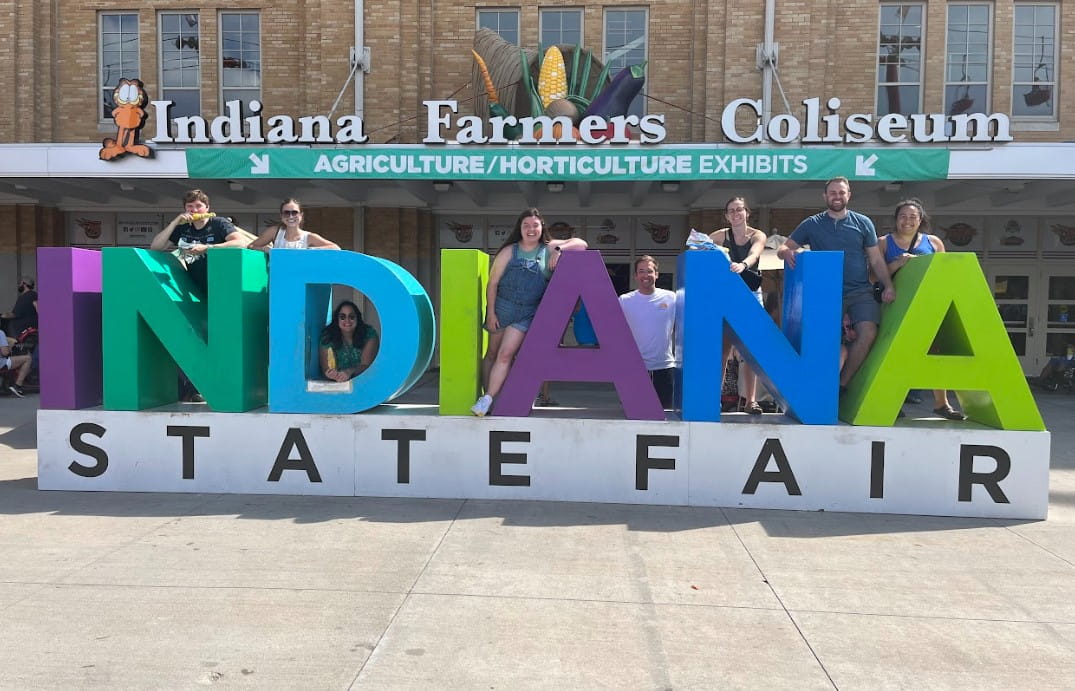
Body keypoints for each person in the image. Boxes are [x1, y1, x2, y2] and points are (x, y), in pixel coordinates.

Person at [777, 176, 895, 389]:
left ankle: (841, 384)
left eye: (841, 192)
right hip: (826, 293)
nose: (837, 196)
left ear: (849, 194)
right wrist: (786, 252)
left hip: (860, 291)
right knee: (825, 340)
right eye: (833, 193)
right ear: (825, 196)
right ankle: (818, 386)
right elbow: (783, 248)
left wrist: (888, 285)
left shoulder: (863, 222)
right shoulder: (811, 224)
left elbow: (876, 258)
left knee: (868, 332)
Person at [471, 208, 588, 416]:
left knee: (506, 355)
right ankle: (488, 398)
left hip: (527, 312)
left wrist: (559, 250)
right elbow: (493, 283)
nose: (531, 229)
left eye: (535, 225)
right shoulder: (510, 251)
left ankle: (488, 397)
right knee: (491, 354)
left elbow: (581, 244)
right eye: (526, 225)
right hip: (502, 308)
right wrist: (491, 313)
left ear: (542, 227)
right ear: (520, 228)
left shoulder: (549, 248)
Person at [880, 198, 965, 420]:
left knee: (936, 351)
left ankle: (942, 404)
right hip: (896, 307)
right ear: (896, 219)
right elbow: (872, 277)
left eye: (912, 217)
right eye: (903, 216)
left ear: (920, 220)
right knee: (894, 354)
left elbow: (944, 276)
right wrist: (897, 264)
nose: (907, 221)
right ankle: (890, 401)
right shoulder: (883, 243)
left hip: (928, 306)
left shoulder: (934, 243)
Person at [710, 197, 767, 415]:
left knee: (749, 350)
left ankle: (751, 400)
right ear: (726, 216)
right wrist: (716, 253)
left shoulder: (757, 234)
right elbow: (695, 242)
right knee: (723, 349)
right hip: (726, 295)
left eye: (740, 210)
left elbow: (755, 252)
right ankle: (714, 397)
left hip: (750, 295)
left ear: (747, 213)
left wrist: (743, 265)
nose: (736, 214)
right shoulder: (721, 235)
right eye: (731, 211)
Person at [149, 188, 249, 292]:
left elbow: (240, 243)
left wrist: (208, 248)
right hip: (195, 285)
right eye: (190, 206)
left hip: (222, 283)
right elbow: (156, 247)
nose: (194, 210)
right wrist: (175, 222)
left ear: (207, 208)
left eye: (198, 206)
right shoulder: (183, 227)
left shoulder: (218, 223)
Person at [619, 255, 677, 409]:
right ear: (635, 276)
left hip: (664, 368)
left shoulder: (672, 298)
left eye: (650, 271)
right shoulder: (625, 301)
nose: (646, 275)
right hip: (635, 369)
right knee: (634, 416)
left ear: (657, 274)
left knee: (665, 417)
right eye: (641, 271)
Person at [248, 198, 340, 252]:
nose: (291, 216)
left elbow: (335, 248)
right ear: (281, 216)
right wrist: (266, 249)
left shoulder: (309, 237)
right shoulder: (274, 232)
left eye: (294, 212)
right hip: (278, 278)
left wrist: (311, 250)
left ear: (301, 215)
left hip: (301, 278)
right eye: (286, 213)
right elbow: (251, 246)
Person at [319, 301, 379, 382]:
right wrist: (332, 374)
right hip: (337, 385)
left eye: (351, 317)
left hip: (366, 382)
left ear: (357, 318)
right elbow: (326, 368)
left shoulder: (369, 334)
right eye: (342, 317)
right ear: (337, 319)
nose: (347, 320)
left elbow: (366, 365)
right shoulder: (328, 336)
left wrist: (349, 372)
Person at [0, 328, 32, 397]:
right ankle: (17, 387)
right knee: (27, 358)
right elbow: (5, 353)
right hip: (1, 363)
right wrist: (9, 347)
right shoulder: (0, 333)